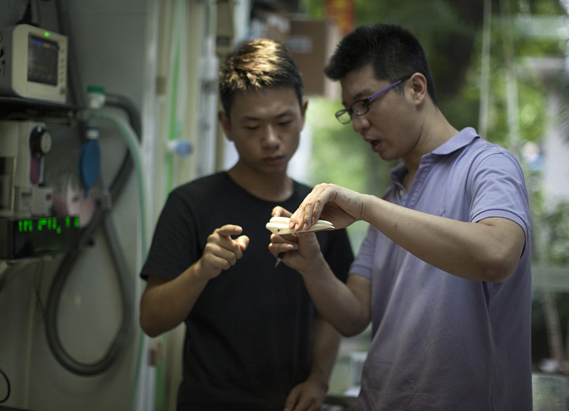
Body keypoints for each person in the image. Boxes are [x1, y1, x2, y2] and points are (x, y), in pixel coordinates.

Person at [269, 24, 532, 411]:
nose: (358, 123)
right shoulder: (393, 199)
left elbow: (497, 254)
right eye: (349, 111)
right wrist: (312, 265)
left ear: (416, 88)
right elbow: (355, 316)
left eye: (365, 102)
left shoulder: (488, 166)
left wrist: (366, 208)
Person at [139, 38, 354, 411]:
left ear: (303, 113)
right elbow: (151, 320)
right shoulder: (190, 204)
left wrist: (319, 379)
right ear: (226, 125)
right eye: (252, 126)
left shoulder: (323, 212)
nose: (271, 140)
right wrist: (201, 270)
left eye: (284, 122)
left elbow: (335, 314)